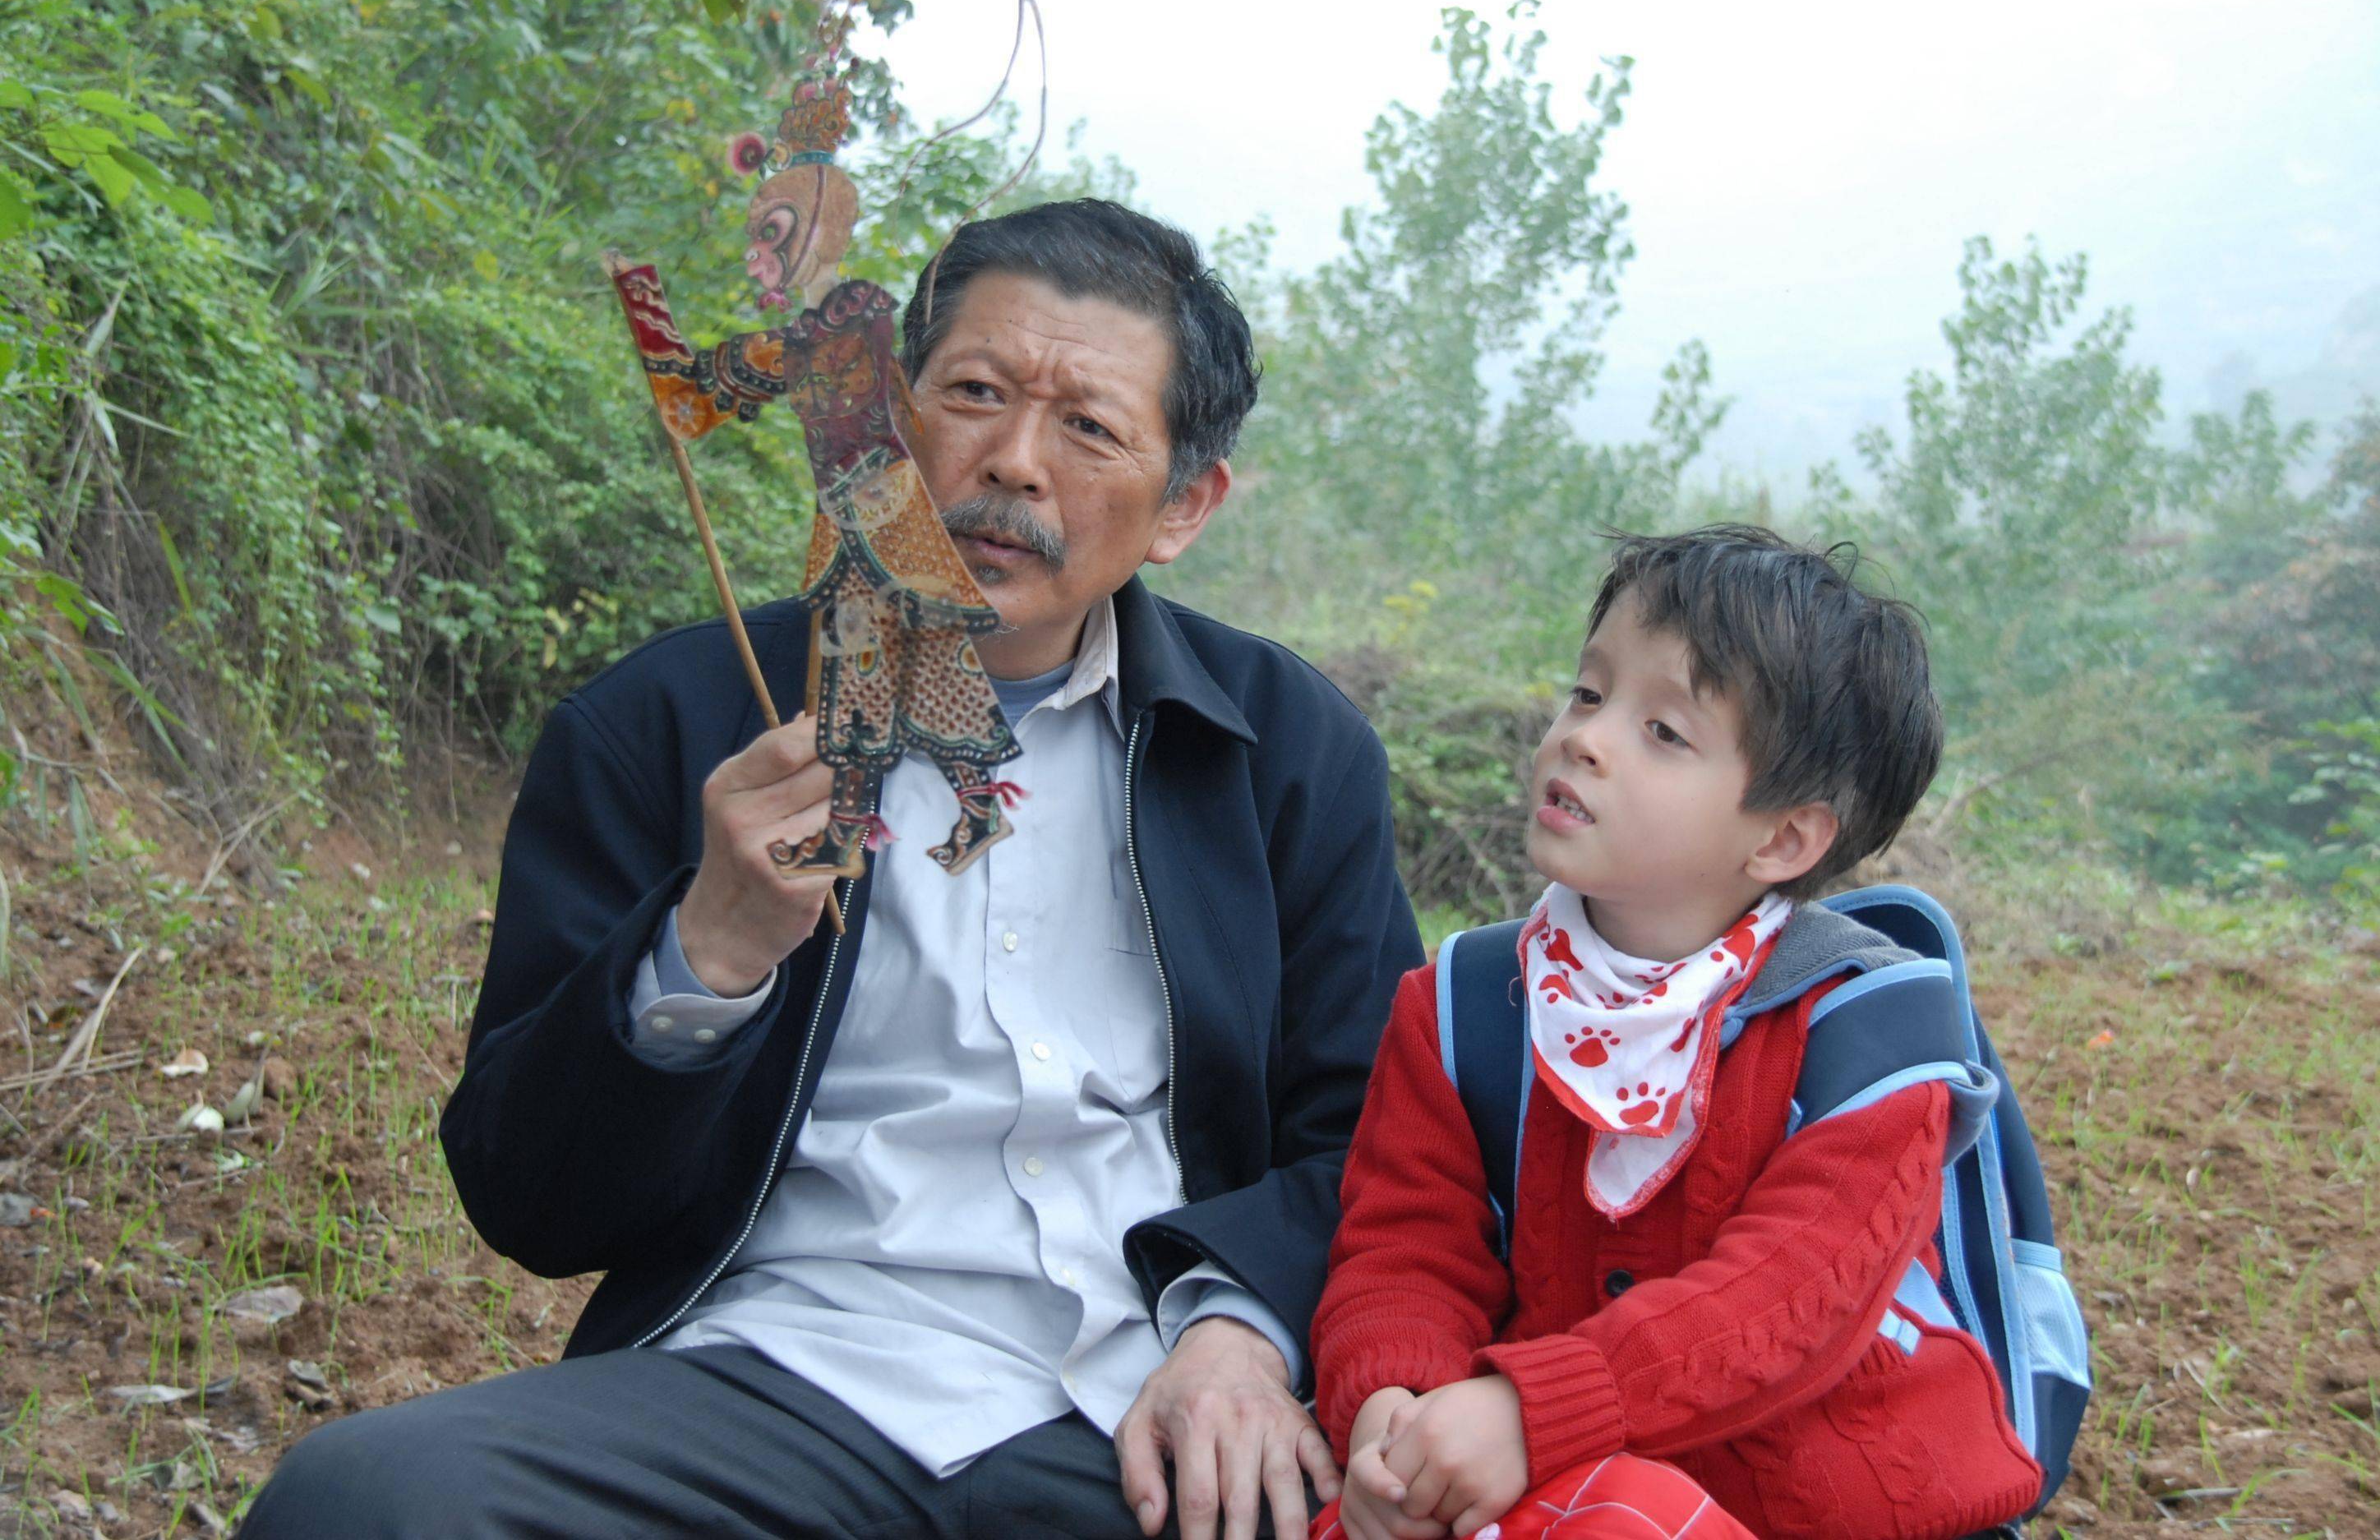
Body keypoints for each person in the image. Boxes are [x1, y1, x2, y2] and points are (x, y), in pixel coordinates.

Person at [240, 199, 1423, 1540]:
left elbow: (1375, 1140)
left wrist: (1237, 1328)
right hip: (771, 1382)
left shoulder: (1286, 753)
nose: (1015, 464)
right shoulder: (672, 724)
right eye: (972, 392)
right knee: (366, 1500)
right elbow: (532, 1198)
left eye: (1088, 427)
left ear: (1184, 504)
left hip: (1145, 1409)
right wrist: (709, 947)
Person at [1307, 528, 2044, 1540]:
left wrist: (1533, 1410)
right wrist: (1393, 1410)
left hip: (1841, 1510)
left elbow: (1788, 1297)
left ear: (1783, 838)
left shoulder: (1872, 1028)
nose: (1583, 737)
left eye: (1664, 732)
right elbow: (1404, 1250)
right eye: (1589, 691)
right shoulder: (1463, 1004)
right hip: (1558, 1489)